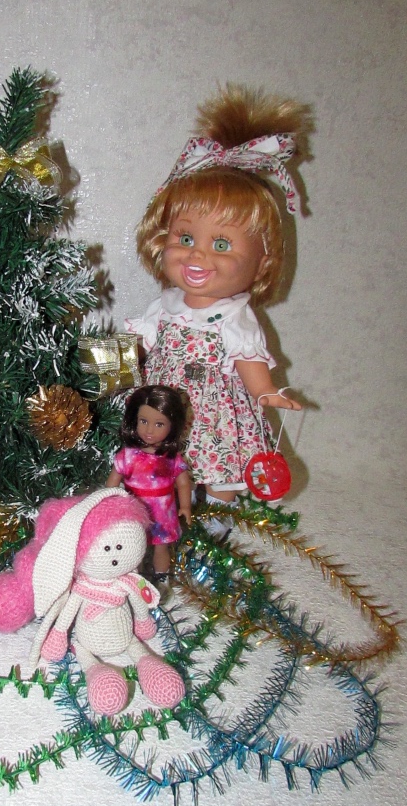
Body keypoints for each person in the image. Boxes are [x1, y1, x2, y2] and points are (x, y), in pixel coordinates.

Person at [127, 84, 311, 532]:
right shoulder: (165, 305)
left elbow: (248, 359)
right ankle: (161, 509)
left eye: (222, 244)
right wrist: (119, 364)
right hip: (162, 403)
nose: (197, 255)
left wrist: (265, 391)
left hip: (214, 411)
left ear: (261, 262)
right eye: (186, 238)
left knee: (219, 463)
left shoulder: (233, 316)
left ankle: (217, 523)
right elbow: (139, 344)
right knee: (162, 456)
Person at [106, 385, 192, 587]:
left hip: (163, 512)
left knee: (161, 547)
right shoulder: (128, 455)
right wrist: (109, 503)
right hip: (135, 510)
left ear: (173, 426)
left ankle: (162, 578)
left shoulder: (171, 458)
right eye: (143, 421)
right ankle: (135, 581)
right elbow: (112, 482)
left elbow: (183, 483)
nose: (149, 430)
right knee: (135, 547)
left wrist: (186, 507)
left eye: (159, 424)